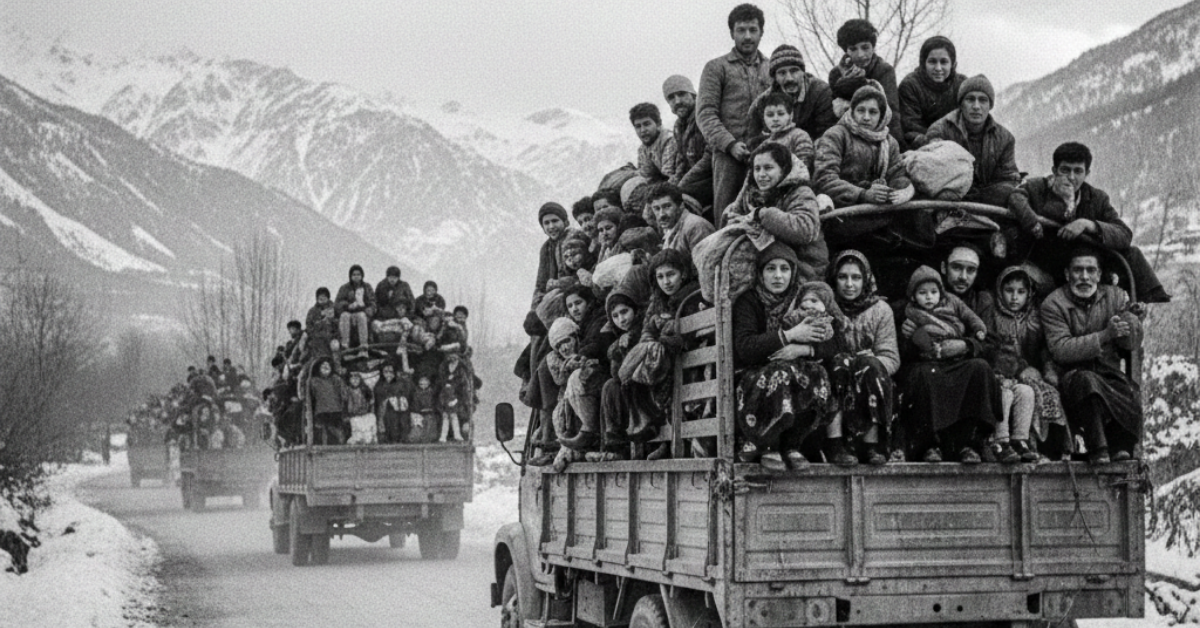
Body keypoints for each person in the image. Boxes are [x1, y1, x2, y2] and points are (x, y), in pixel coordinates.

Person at [1007, 142, 1170, 303]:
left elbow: (1124, 234)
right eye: (1065, 170)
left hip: (1085, 270)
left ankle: (1135, 307)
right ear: (1054, 171)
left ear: (1087, 173)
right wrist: (1032, 221)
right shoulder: (1039, 188)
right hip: (1046, 264)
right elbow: (1016, 197)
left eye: (1078, 171)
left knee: (1131, 254)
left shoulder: (1097, 198)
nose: (1071, 177)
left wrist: (1089, 224)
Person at [732, 242, 836, 470]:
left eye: (784, 269)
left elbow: (834, 341)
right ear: (760, 273)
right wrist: (789, 335)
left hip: (794, 367)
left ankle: (793, 445)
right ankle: (768, 445)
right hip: (755, 373)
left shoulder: (802, 300)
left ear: (793, 272)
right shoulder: (749, 302)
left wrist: (805, 349)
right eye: (771, 269)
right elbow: (745, 346)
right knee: (781, 372)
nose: (778, 276)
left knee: (817, 372)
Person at [1041, 247, 1144, 464]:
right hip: (1070, 376)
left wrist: (1133, 320)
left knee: (1129, 390)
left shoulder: (1115, 297)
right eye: (1078, 270)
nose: (1085, 277)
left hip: (1108, 372)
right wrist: (1105, 335)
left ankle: (1121, 447)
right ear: (1067, 274)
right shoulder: (1053, 304)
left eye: (1091, 270)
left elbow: (1131, 343)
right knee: (1086, 383)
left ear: (1099, 274)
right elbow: (1061, 349)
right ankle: (1099, 448)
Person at [896, 263, 1001, 463]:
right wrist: (913, 337)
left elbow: (990, 341)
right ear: (944, 268)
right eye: (957, 268)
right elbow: (902, 350)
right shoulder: (909, 310)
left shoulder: (978, 301)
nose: (963, 276)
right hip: (929, 362)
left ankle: (970, 444)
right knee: (923, 374)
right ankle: (929, 444)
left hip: (960, 360)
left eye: (971, 270)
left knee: (980, 368)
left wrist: (966, 345)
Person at [982, 266, 1066, 462]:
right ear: (1000, 291)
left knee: (1035, 393)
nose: (1014, 298)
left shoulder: (1035, 317)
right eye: (1009, 291)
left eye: (1021, 292)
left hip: (1027, 373)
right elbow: (988, 347)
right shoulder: (992, 315)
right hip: (999, 373)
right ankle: (1000, 442)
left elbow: (1043, 348)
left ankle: (1024, 441)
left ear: (1029, 293)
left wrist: (1046, 369)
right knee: (1004, 395)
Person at [697, 3, 772, 217]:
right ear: (732, 33)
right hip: (728, 157)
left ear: (761, 32)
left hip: (767, 155)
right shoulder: (716, 68)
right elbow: (705, 114)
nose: (747, 36)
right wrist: (729, 145)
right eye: (741, 30)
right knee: (727, 212)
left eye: (753, 30)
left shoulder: (771, 68)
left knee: (767, 212)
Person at [826, 250, 900, 465]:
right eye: (843, 277)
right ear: (834, 279)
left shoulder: (880, 310)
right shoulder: (826, 307)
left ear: (866, 279)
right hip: (837, 377)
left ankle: (871, 445)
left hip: (870, 379)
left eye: (856, 277)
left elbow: (891, 359)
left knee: (869, 365)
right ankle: (835, 444)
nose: (849, 284)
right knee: (838, 364)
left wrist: (866, 363)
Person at [723, 142, 829, 282]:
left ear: (783, 169)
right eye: (757, 169)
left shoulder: (800, 192)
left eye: (768, 168)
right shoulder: (751, 194)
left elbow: (805, 229)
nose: (761, 175)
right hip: (766, 263)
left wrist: (763, 215)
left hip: (802, 264)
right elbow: (734, 216)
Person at [814, 81, 914, 208]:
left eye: (873, 112)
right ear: (852, 111)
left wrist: (901, 190)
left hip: (879, 207)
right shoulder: (836, 135)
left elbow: (897, 174)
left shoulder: (889, 142)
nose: (866, 117)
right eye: (861, 110)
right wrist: (862, 194)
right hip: (844, 207)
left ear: (881, 115)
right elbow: (824, 179)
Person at [926, 75, 1020, 207]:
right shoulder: (940, 130)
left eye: (982, 100)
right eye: (970, 99)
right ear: (961, 104)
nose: (976, 106)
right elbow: (934, 174)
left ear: (990, 105)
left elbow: (1008, 178)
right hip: (950, 198)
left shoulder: (1005, 138)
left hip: (987, 200)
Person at [828, 19, 903, 147]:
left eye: (865, 47)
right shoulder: (836, 74)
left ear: (873, 46)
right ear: (846, 50)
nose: (861, 55)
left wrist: (895, 146)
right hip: (847, 136)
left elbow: (891, 114)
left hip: (879, 137)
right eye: (853, 49)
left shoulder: (884, 71)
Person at [748, 44, 838, 148]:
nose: (789, 78)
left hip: (814, 149)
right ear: (775, 77)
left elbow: (828, 133)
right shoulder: (764, 101)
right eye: (782, 73)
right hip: (778, 156)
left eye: (794, 71)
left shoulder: (821, 92)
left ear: (803, 72)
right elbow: (753, 139)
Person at [898, 36, 968, 149]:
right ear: (923, 63)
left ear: (953, 64)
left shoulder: (962, 85)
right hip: (920, 147)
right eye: (932, 62)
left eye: (944, 62)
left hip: (956, 146)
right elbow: (910, 128)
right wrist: (933, 144)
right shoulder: (910, 86)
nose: (938, 68)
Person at [903, 265, 988, 355]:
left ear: (940, 292)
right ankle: (935, 353)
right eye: (922, 292)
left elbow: (969, 315)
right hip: (935, 342)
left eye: (934, 292)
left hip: (957, 335)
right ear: (913, 297)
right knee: (919, 334)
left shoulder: (951, 300)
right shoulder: (913, 311)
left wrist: (979, 328)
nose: (929, 297)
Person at [663, 74, 714, 209]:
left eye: (681, 94)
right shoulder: (678, 126)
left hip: (713, 176)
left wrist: (684, 182)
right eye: (671, 98)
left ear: (693, 95)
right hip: (695, 179)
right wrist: (674, 181)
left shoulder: (705, 116)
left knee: (678, 199)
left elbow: (710, 155)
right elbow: (682, 160)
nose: (677, 101)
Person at [746, 91, 815, 178]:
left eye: (781, 114)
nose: (775, 119)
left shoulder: (799, 136)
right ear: (763, 117)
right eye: (770, 115)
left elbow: (804, 167)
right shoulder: (764, 144)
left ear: (791, 115)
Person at [646, 182, 715, 263]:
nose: (662, 214)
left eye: (667, 206)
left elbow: (706, 266)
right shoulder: (671, 228)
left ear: (681, 206)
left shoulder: (695, 226)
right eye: (657, 209)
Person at [532, 202, 576, 307]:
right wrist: (534, 308)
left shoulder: (573, 237)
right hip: (553, 297)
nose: (551, 226)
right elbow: (541, 283)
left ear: (565, 222)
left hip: (573, 294)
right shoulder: (546, 248)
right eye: (546, 223)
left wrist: (558, 284)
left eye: (555, 221)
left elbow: (577, 274)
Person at [630, 102, 678, 184]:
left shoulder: (669, 140)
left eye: (647, 124)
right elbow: (645, 176)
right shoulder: (643, 149)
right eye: (638, 126)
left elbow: (669, 176)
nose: (643, 130)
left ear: (658, 123)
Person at [335, 264, 376, 350]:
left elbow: (373, 301)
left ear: (362, 276)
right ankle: (345, 344)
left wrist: (369, 309)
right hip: (348, 312)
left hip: (362, 312)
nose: (356, 277)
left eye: (358, 274)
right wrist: (347, 305)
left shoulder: (367, 287)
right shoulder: (344, 288)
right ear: (350, 276)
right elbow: (338, 303)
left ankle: (363, 344)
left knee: (361, 316)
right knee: (344, 316)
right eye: (354, 274)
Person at [308, 357, 346, 445]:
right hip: (321, 410)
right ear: (319, 368)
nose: (326, 367)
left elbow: (343, 390)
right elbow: (311, 393)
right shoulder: (314, 380)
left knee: (336, 429)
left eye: (327, 365)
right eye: (323, 366)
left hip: (335, 409)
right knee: (322, 430)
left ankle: (339, 443)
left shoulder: (335, 379)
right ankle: (323, 445)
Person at [374, 362, 413, 444]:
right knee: (390, 420)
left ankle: (403, 438)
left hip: (401, 408)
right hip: (386, 409)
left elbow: (407, 393)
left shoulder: (400, 383)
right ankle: (392, 439)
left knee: (403, 419)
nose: (388, 374)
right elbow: (378, 399)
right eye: (386, 372)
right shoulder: (380, 384)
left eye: (391, 372)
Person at [344, 371, 376, 445]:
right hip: (352, 416)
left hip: (365, 415)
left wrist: (369, 410)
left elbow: (371, 402)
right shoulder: (347, 390)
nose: (355, 380)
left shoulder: (365, 389)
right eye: (352, 378)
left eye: (357, 378)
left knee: (367, 434)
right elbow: (345, 404)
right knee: (356, 435)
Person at [306, 287, 337, 359]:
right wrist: (321, 323)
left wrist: (332, 320)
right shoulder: (312, 311)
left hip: (332, 336)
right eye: (320, 296)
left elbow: (339, 322)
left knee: (335, 347)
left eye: (324, 296)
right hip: (317, 337)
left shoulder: (334, 308)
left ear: (328, 297)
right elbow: (309, 326)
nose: (322, 298)